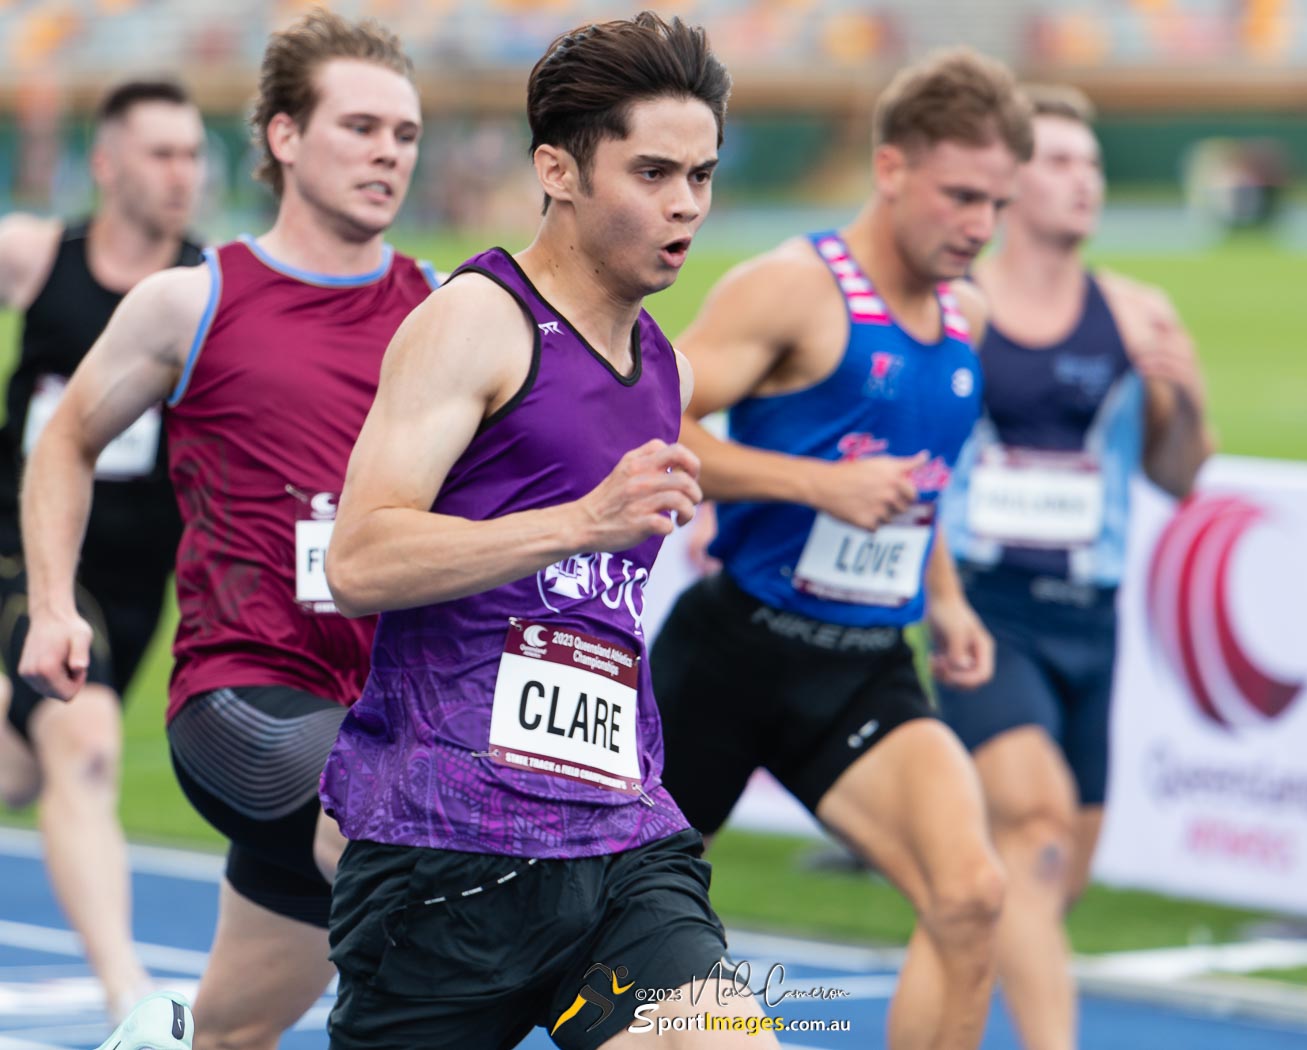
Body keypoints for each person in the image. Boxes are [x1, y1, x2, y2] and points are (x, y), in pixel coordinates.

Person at [318, 14, 778, 1050]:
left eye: (700, 176)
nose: (684, 205)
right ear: (557, 170)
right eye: (652, 171)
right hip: (446, 859)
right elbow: (360, 559)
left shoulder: (670, 370)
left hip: (620, 841)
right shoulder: (477, 319)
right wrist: (581, 521)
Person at [18, 11, 435, 1049]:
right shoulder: (191, 302)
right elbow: (64, 443)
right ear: (285, 137)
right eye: (361, 126)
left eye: (406, 132)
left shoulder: (440, 308)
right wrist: (56, 606)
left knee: (232, 1031)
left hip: (376, 700)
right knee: (415, 866)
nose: (388, 151)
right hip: (240, 696)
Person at [649, 48, 1032, 1050]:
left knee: (969, 897)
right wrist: (815, 484)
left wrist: (944, 600)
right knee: (603, 918)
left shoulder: (966, 313)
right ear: (891, 166)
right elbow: (651, 424)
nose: (978, 227)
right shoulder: (790, 289)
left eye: (996, 204)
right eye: (959, 197)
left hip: (863, 669)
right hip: (730, 654)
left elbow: (916, 491)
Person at [935, 85, 1213, 1050]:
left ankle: (938, 1006)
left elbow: (1180, 478)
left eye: (1092, 164)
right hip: (984, 610)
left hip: (1091, 617)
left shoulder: (1138, 314)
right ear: (1007, 182)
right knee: (1036, 828)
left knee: (1035, 879)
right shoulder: (960, 310)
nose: (1083, 180)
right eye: (1058, 161)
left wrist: (1179, 397)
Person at [0, 78, 205, 1021]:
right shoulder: (38, 257)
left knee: (24, 770)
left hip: (137, 581)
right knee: (79, 740)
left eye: (194, 154)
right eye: (161, 153)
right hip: (27, 552)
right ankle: (133, 1006)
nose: (183, 174)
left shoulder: (212, 289)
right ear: (109, 163)